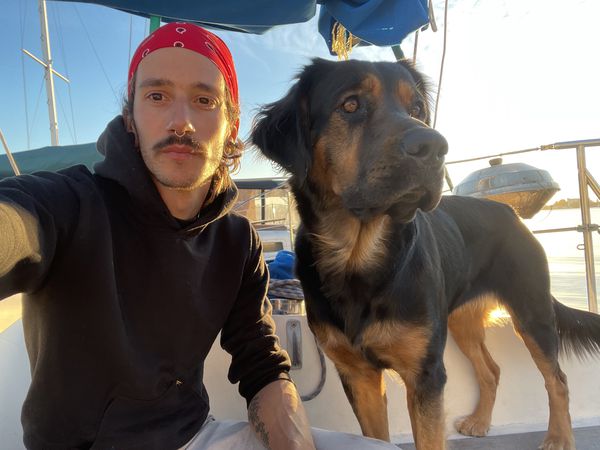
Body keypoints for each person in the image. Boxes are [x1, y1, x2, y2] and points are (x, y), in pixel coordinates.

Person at [0, 22, 400, 450]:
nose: (181, 122)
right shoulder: (68, 205)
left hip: (195, 436)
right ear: (130, 118)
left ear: (231, 126)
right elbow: (15, 225)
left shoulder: (237, 241)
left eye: (204, 100)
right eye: (157, 96)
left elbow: (262, 365)